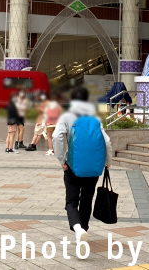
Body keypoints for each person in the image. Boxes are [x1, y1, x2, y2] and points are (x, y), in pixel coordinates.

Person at [52, 86, 113, 241]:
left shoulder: (66, 117)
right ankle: (83, 230)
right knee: (87, 199)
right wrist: (107, 162)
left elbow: (56, 137)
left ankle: (78, 229)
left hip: (73, 166)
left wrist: (61, 159)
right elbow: (107, 141)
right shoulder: (95, 118)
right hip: (93, 167)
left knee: (71, 201)